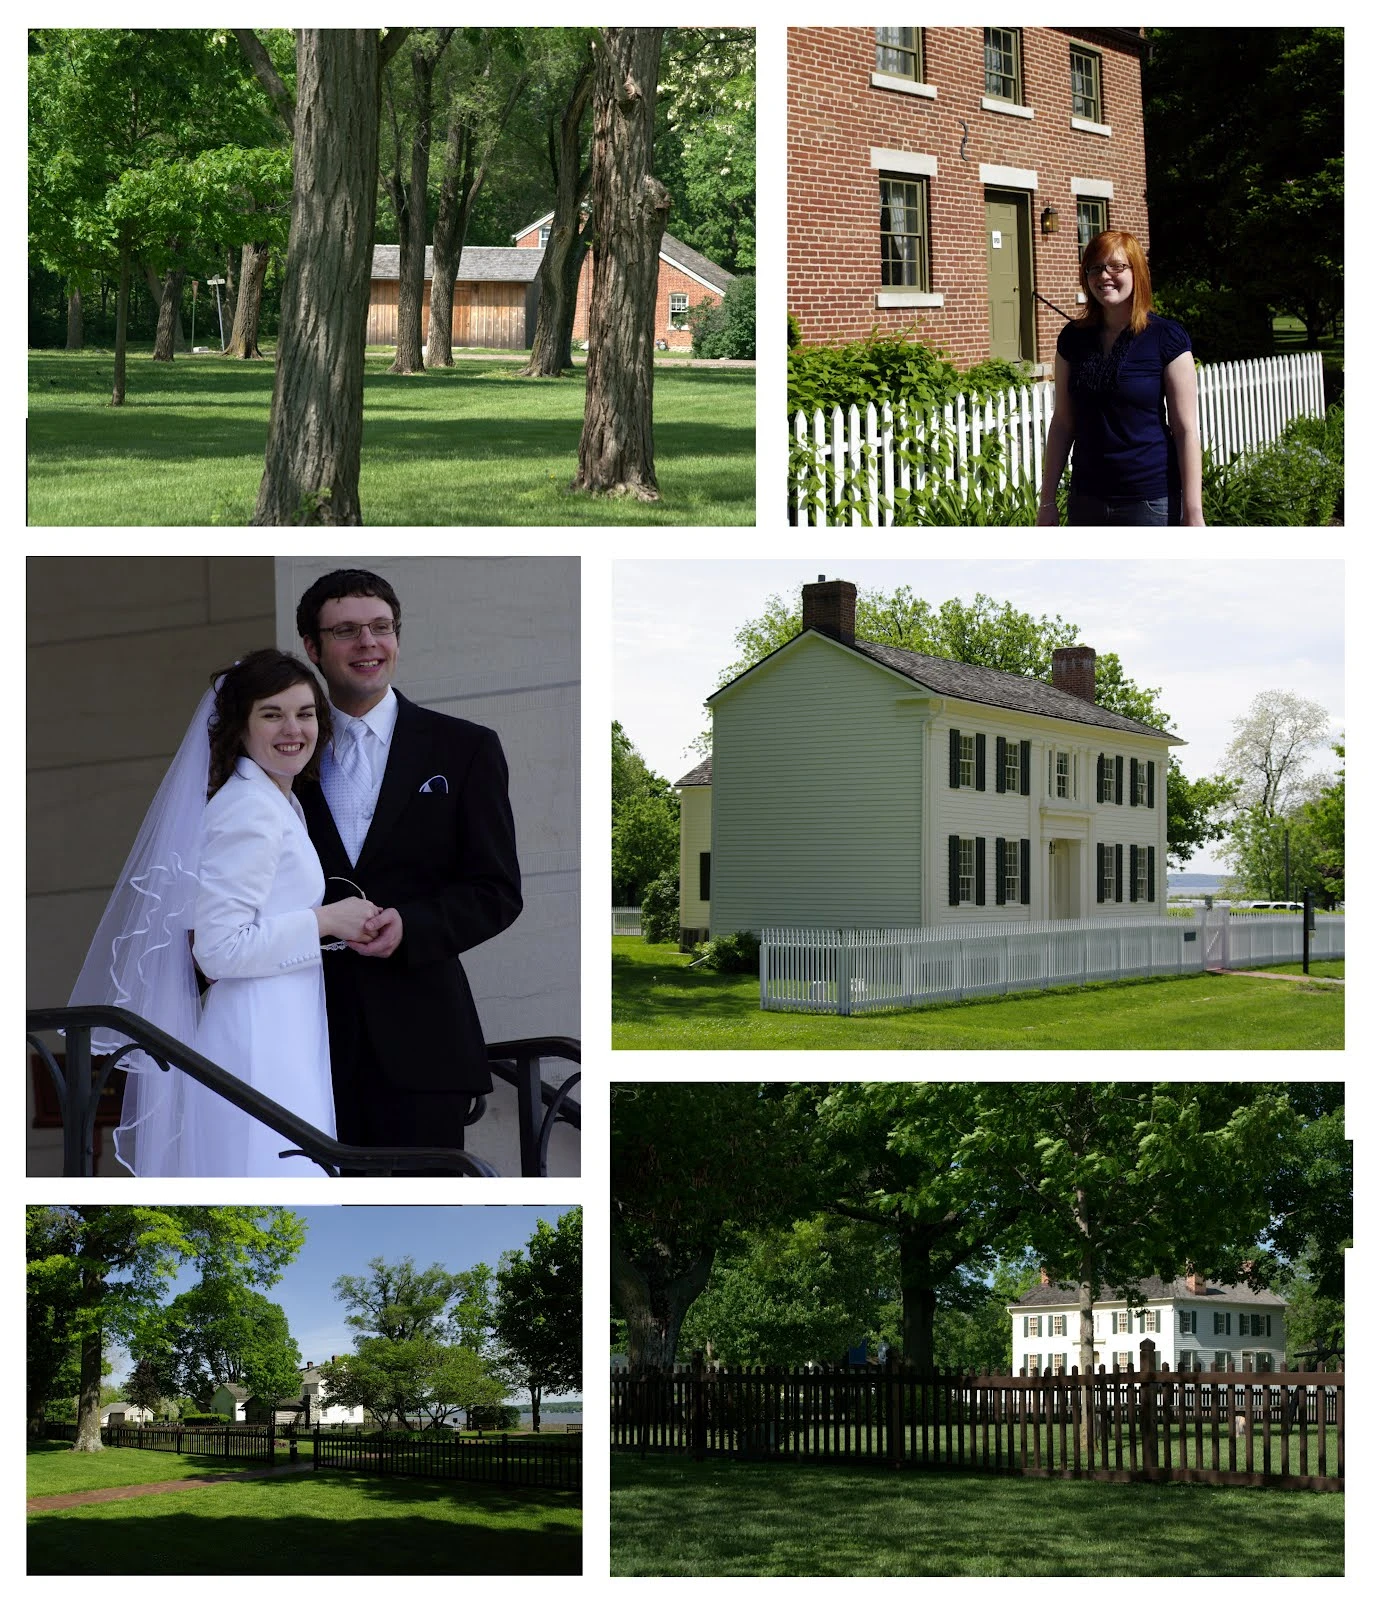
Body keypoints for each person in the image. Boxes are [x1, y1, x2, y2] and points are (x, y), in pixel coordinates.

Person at [69, 651, 378, 1176]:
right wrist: (327, 921)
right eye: (272, 713)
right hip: (257, 1035)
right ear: (240, 726)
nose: (293, 728)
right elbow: (219, 948)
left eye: (305, 713)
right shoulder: (249, 809)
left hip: (283, 1021)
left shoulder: (275, 801)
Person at [293, 569, 523, 1158]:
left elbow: (495, 889)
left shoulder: (465, 749)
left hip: (424, 1040)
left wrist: (413, 925)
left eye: (380, 627)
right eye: (345, 630)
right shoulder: (284, 753)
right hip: (301, 1037)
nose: (367, 642)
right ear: (313, 648)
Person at [1038, 229, 1204, 527]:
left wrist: (1193, 512)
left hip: (1150, 501)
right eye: (1095, 267)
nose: (1104, 276)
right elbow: (1063, 422)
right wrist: (1047, 501)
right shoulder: (1073, 339)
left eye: (1116, 266)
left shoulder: (1166, 338)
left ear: (1136, 272)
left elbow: (1185, 430)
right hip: (1086, 499)